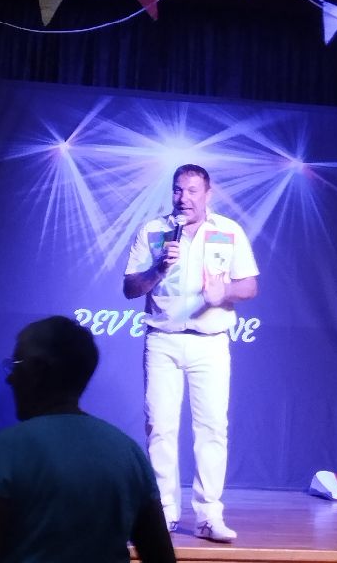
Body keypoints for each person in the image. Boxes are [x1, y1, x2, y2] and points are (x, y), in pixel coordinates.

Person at [0, 315, 176, 563]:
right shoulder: (128, 452)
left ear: (38, 370)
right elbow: (161, 556)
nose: (10, 378)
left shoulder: (4, 451)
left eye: (16, 364)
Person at [123, 163, 259, 543]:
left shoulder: (228, 231)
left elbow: (249, 285)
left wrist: (224, 292)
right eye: (178, 190)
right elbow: (130, 288)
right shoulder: (153, 231)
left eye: (192, 191)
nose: (184, 198)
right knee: (160, 427)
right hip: (162, 340)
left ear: (207, 194)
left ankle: (209, 516)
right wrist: (157, 268)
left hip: (210, 341)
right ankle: (163, 513)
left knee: (212, 428)